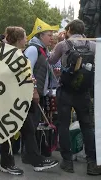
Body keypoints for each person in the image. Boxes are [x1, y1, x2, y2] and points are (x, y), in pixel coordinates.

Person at [48, 19, 101, 176]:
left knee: (64, 125)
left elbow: (51, 60)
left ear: (69, 29)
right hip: (84, 92)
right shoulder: (92, 45)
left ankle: (67, 162)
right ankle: (92, 163)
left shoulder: (63, 45)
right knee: (87, 126)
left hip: (65, 91)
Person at [21, 18, 59, 170]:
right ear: (41, 35)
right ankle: (34, 159)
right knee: (30, 127)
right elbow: (26, 71)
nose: (52, 37)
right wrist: (34, 91)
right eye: (49, 35)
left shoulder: (42, 50)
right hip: (31, 95)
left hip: (38, 94)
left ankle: (28, 156)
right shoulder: (33, 49)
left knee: (31, 127)